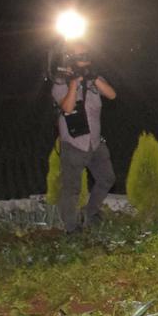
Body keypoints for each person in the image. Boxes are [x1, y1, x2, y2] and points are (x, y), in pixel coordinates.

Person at [51, 43, 117, 232]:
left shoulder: (93, 78)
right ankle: (71, 228)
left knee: (107, 178)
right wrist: (74, 84)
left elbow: (112, 95)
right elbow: (67, 108)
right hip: (73, 144)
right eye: (81, 56)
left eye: (87, 55)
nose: (86, 59)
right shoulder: (60, 82)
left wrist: (93, 77)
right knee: (71, 188)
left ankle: (90, 212)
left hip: (95, 143)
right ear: (70, 59)